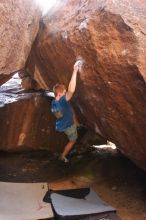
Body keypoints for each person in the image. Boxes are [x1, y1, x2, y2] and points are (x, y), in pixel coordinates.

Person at [51, 62, 79, 163]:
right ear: (60, 94)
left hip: (61, 124)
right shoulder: (62, 100)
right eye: (64, 92)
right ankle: (63, 155)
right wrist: (75, 71)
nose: (66, 92)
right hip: (68, 126)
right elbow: (71, 90)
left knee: (69, 107)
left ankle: (75, 122)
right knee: (73, 140)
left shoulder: (55, 101)